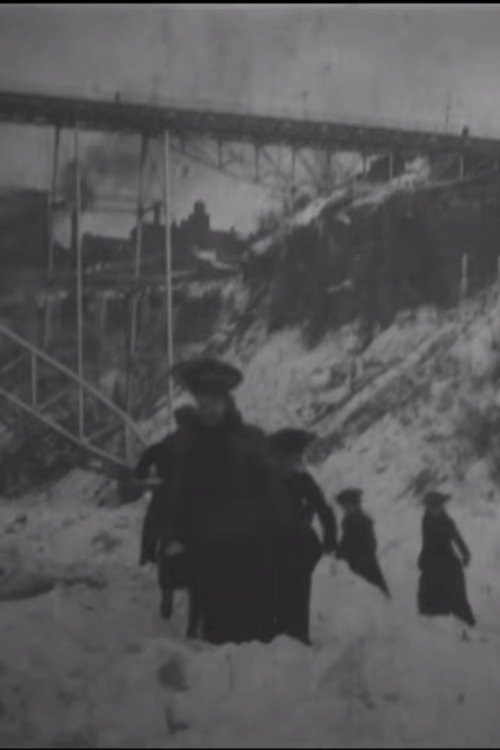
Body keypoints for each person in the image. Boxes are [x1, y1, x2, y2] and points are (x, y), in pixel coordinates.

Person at [169, 357, 293, 646]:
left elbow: (274, 497)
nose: (207, 406)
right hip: (204, 556)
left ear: (226, 400)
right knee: (208, 638)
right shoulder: (188, 445)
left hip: (246, 555)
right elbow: (179, 497)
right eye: (202, 399)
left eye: (213, 399)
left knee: (248, 639)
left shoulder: (251, 441)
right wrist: (174, 539)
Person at [136, 405, 202, 638]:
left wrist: (145, 476)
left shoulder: (166, 444)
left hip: (167, 504)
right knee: (197, 569)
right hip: (192, 508)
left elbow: (143, 464)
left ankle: (166, 605)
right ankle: (193, 625)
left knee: (161, 546)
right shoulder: (201, 445)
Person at [269, 428, 337, 643]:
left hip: (299, 547)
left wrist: (329, 543)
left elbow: (325, 512)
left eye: (298, 458)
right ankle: (276, 637)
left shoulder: (304, 480)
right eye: (292, 458)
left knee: (298, 592)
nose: (297, 463)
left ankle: (298, 637)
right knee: (274, 592)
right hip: (272, 546)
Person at [417, 490, 475, 627]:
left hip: (447, 559)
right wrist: (423, 558)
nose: (434, 509)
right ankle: (435, 620)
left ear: (442, 506)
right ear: (427, 507)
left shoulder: (447, 521)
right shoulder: (426, 520)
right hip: (431, 559)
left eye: (437, 506)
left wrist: (465, 553)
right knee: (429, 590)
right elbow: (427, 543)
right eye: (431, 507)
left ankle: (464, 619)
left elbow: (457, 537)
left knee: (456, 589)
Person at [336, 487, 390, 598]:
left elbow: (369, 544)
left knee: (374, 590)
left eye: (347, 506)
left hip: (363, 562)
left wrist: (343, 552)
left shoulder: (359, 521)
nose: (344, 509)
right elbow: (347, 540)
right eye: (343, 507)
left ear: (355, 505)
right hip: (358, 561)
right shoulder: (349, 520)